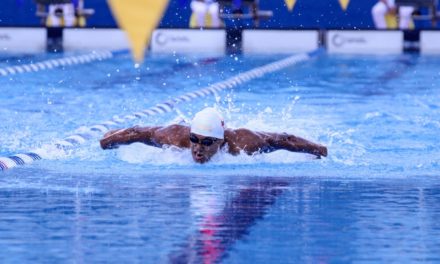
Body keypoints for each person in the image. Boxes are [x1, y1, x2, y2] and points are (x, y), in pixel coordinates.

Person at [100, 107, 328, 164]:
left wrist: (318, 149)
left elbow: (284, 139)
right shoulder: (176, 137)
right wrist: (110, 140)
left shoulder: (242, 144)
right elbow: (139, 131)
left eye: (207, 143)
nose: (198, 148)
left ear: (220, 142)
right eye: (195, 140)